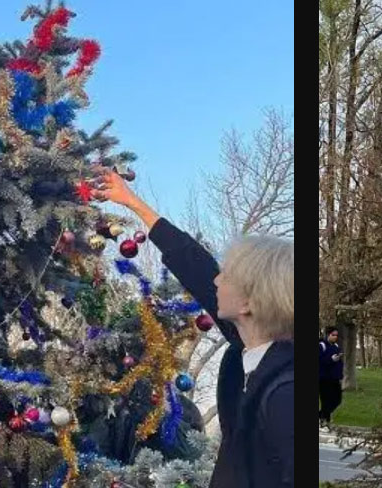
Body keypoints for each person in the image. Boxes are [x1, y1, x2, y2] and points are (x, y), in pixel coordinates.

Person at [96, 169, 293, 488]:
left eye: (226, 275)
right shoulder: (248, 350)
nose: (217, 280)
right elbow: (196, 266)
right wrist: (132, 202)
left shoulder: (285, 393)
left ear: (248, 303)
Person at [318, 327, 343, 428]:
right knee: (326, 400)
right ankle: (325, 421)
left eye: (336, 335)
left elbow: (339, 363)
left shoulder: (336, 346)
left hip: (334, 378)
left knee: (337, 399)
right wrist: (330, 359)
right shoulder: (321, 346)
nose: (335, 337)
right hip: (324, 378)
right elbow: (320, 361)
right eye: (333, 335)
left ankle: (321, 415)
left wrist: (340, 375)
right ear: (328, 335)